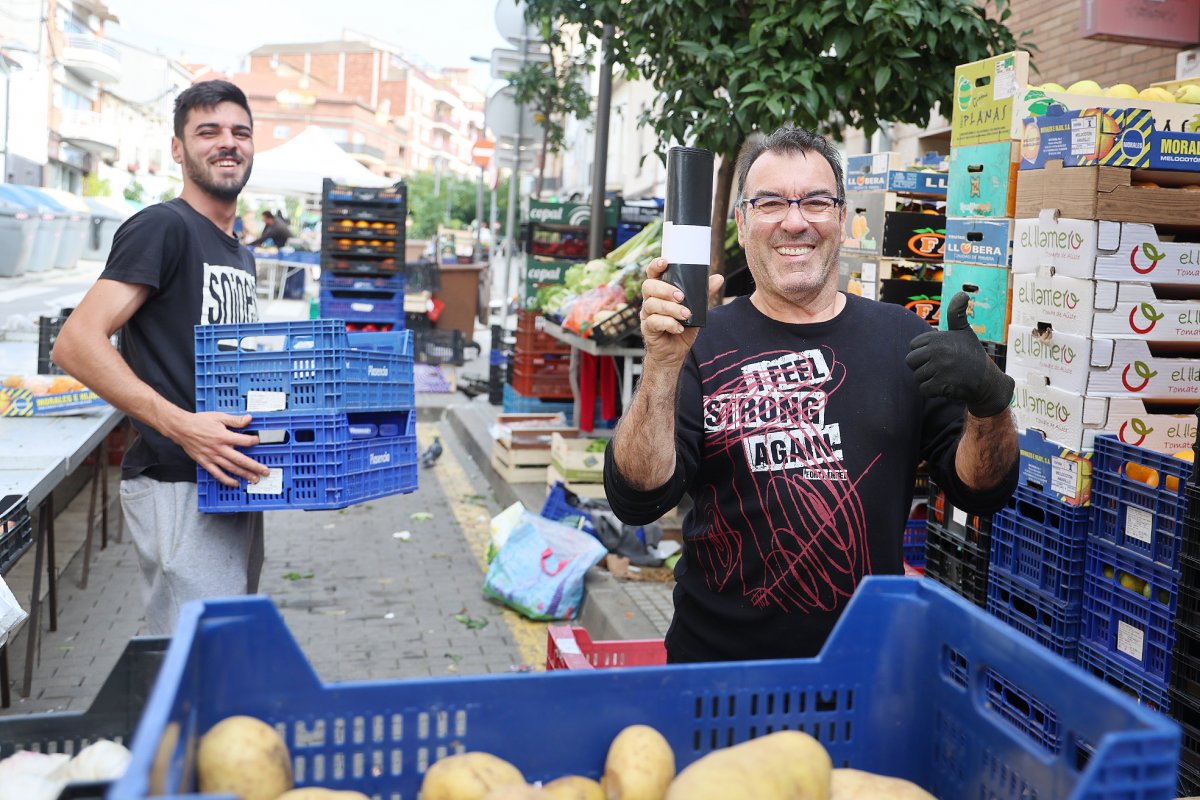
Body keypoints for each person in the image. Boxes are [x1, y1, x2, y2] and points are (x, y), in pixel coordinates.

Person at [603, 127, 1018, 663]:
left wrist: (989, 405)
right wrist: (661, 364)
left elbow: (982, 491)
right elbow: (637, 499)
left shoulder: (902, 338)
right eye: (771, 202)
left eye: (817, 202)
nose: (795, 221)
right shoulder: (697, 344)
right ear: (742, 222)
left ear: (842, 219)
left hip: (864, 674)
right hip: (717, 676)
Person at [52, 79, 270, 635]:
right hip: (178, 484)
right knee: (194, 660)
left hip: (230, 479)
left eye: (240, 132)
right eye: (208, 131)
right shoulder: (162, 227)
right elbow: (76, 343)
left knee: (220, 654)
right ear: (178, 149)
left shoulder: (238, 251)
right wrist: (183, 427)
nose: (228, 143)